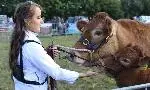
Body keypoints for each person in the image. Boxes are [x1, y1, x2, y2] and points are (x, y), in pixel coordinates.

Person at [9, 1, 96, 90]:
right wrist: (83, 74)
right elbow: (56, 72)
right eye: (38, 17)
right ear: (27, 21)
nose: (42, 21)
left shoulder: (20, 38)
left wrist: (46, 53)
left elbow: (29, 62)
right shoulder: (31, 45)